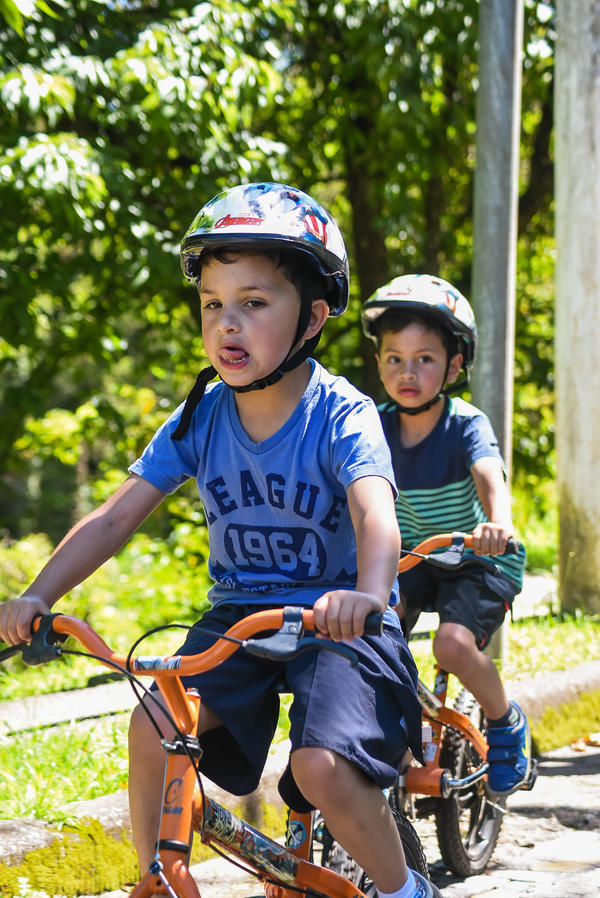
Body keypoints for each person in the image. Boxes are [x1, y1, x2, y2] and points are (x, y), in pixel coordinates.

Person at [0, 184, 441, 898]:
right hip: (240, 619)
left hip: (340, 622)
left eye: (255, 303)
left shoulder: (342, 415)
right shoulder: (202, 415)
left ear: (314, 317)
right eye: (213, 304)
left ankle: (404, 890)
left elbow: (374, 515)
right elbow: (117, 517)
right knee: (154, 721)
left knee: (322, 768)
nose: (227, 324)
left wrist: (367, 594)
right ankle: (157, 875)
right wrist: (37, 595)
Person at [361, 273, 532, 798]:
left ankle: (505, 722)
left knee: (452, 644)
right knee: (371, 634)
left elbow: (488, 473)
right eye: (394, 358)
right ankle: (381, 739)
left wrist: (496, 522)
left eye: (425, 359)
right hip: (414, 560)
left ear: (455, 365)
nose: (407, 372)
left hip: (479, 558)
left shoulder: (465, 423)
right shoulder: (372, 425)